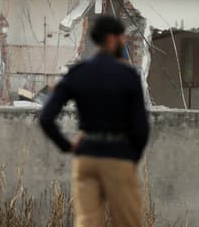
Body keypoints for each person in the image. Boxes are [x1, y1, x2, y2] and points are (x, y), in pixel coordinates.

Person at [39, 16, 150, 227]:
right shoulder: (128, 75)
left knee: (87, 222)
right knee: (127, 222)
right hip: (118, 156)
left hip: (86, 157)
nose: (124, 42)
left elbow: (46, 118)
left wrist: (68, 146)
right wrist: (131, 156)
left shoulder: (78, 73)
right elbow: (141, 127)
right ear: (110, 39)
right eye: (121, 38)